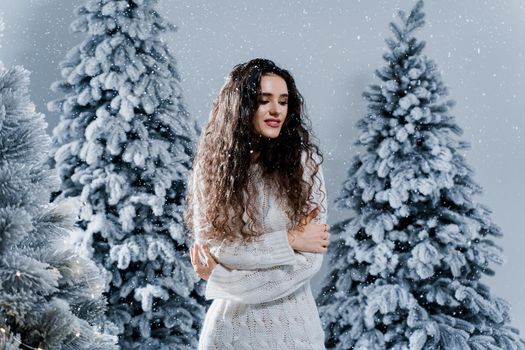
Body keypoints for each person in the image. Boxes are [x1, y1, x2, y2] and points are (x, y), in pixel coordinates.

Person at [184, 58, 330, 349]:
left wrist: (225, 281)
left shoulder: (305, 165)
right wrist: (289, 240)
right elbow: (216, 250)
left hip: (296, 336)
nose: (276, 110)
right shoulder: (212, 168)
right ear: (241, 105)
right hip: (229, 336)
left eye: (283, 101)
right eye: (264, 100)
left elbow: (309, 262)